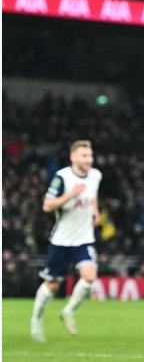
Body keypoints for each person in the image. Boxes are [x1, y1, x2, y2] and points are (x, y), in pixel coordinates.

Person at [30, 140, 102, 342]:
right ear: (73, 158)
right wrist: (70, 195)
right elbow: (47, 205)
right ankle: (36, 320)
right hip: (62, 240)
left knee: (89, 276)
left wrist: (95, 210)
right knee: (51, 285)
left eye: (90, 156)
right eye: (84, 156)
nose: (89, 159)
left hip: (84, 239)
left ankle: (68, 311)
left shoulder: (96, 175)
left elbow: (92, 193)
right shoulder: (62, 177)